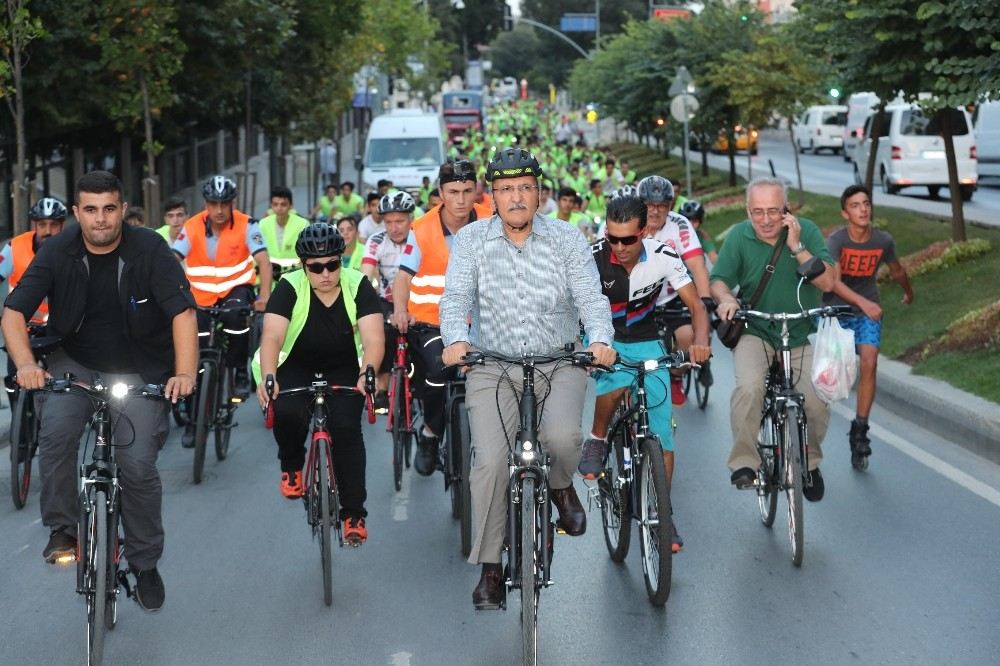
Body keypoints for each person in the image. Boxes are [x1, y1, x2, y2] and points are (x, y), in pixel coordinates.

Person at [2, 170, 198, 611]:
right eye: (90, 210)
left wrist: (184, 373)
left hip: (140, 367)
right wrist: (28, 365)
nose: (100, 219)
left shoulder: (150, 248)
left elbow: (182, 313)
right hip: (76, 362)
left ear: (123, 210)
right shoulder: (58, 249)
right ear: (77, 213)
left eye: (109, 208)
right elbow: (14, 312)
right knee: (55, 432)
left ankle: (145, 563)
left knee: (138, 463)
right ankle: (63, 529)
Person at [438, 147, 617, 609]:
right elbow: (455, 297)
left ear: (539, 192)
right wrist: (456, 339)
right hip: (492, 364)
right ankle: (491, 568)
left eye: (524, 188)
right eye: (505, 190)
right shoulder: (473, 240)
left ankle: (560, 487)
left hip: (558, 361)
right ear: (491, 197)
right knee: (491, 463)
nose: (515, 197)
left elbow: (591, 298)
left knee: (560, 438)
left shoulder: (567, 238)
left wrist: (599, 339)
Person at [579, 194, 712, 553]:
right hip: (603, 337)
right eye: (612, 238)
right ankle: (597, 437)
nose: (619, 247)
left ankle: (663, 513)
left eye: (628, 239)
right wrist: (586, 347)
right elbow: (569, 307)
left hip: (646, 339)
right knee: (615, 379)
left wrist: (700, 341)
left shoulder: (664, 256)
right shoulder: (590, 259)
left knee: (663, 437)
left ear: (644, 232)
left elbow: (696, 305)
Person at [254, 224, 383, 543]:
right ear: (303, 266)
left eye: (333, 264)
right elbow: (271, 335)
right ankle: (292, 464)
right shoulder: (289, 286)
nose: (325, 273)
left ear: (341, 260)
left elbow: (374, 338)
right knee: (287, 411)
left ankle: (353, 514)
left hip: (343, 367)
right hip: (297, 364)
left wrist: (368, 371)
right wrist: (269, 376)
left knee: (346, 430)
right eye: (316, 267)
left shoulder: (358, 285)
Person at [710, 177, 837, 499]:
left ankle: (809, 462)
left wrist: (796, 246)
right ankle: (744, 462)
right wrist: (726, 299)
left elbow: (828, 283)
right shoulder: (739, 235)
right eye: (757, 212)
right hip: (757, 330)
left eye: (773, 211)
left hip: (800, 332)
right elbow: (719, 280)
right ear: (747, 210)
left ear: (787, 210)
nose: (765, 220)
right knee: (750, 388)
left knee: (817, 399)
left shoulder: (805, 230)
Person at [391, 160, 492, 476]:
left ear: (476, 191)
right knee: (436, 372)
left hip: (484, 323)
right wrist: (400, 310)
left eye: (466, 191)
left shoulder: (492, 222)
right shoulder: (421, 229)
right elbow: (404, 277)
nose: (461, 200)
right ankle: (431, 434)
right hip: (431, 322)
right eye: (453, 192)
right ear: (440, 193)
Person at [173, 175, 271, 447]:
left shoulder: (247, 224)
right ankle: (193, 423)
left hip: (235, 292)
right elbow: (173, 259)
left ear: (232, 204)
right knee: (195, 359)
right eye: (214, 204)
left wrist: (264, 296)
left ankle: (240, 369)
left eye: (224, 204)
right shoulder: (191, 227)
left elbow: (263, 261)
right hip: (200, 298)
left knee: (236, 317)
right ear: (206, 204)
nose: (218, 210)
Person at [824, 184, 913, 466]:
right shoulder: (836, 241)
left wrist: (908, 292)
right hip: (836, 310)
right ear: (845, 213)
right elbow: (834, 282)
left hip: (867, 311)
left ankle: (860, 430)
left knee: (870, 363)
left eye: (866, 203)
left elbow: (897, 269)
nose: (863, 209)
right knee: (832, 374)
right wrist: (863, 303)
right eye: (855, 205)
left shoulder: (882, 240)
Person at [637, 175, 712, 406]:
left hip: (671, 296)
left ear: (670, 206)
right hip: (635, 298)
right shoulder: (626, 219)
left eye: (662, 206)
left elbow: (697, 266)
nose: (656, 212)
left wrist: (706, 299)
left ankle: (676, 376)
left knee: (687, 338)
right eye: (649, 205)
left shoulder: (679, 224)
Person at [362, 191, 417, 411]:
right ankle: (382, 387)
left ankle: (416, 384)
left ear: (411, 219)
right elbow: (366, 272)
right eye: (388, 222)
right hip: (385, 299)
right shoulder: (376, 241)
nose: (394, 227)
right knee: (380, 335)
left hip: (416, 300)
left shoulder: (420, 237)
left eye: (400, 221)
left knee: (419, 340)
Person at [0, 196, 68, 326]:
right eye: (42, 225)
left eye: (54, 225)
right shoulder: (15, 247)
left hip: (63, 328)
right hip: (23, 328)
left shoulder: (75, 249)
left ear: (62, 226)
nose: (48, 231)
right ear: (34, 226)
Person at [259, 185, 309, 278]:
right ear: (271, 205)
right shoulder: (263, 224)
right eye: (275, 204)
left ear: (291, 205)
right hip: (270, 276)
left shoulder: (303, 224)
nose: (279, 208)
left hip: (295, 276)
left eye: (283, 204)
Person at [680, 200, 718, 264]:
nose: (690, 224)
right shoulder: (673, 236)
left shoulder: (701, 236)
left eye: (694, 221)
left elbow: (714, 257)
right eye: (686, 220)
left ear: (700, 222)